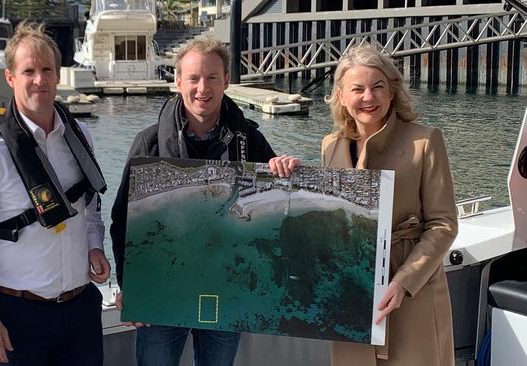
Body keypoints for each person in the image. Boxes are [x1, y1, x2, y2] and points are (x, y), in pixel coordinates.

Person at [270, 45, 458, 365]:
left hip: (411, 289)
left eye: (377, 87)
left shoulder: (425, 141)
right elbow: (329, 217)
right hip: (352, 287)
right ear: (341, 96)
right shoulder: (331, 145)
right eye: (357, 89)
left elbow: (444, 224)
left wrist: (403, 282)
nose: (368, 97)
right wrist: (290, 174)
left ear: (392, 92)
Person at [110, 36, 277, 366]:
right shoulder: (149, 143)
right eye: (194, 78)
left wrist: (284, 170)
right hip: (162, 292)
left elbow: (273, 211)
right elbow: (123, 220)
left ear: (226, 80)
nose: (203, 88)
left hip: (225, 292)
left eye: (213, 77)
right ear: (177, 81)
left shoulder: (251, 141)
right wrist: (131, 284)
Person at [0, 21, 110, 366]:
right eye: (28, 71)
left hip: (81, 307)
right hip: (17, 314)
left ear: (58, 75)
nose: (39, 80)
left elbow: (89, 207)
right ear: (10, 78)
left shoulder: (80, 135)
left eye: (47, 70)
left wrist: (95, 247)